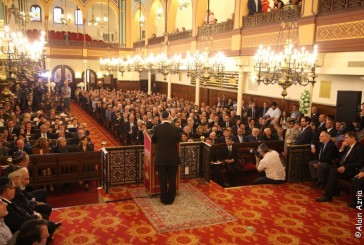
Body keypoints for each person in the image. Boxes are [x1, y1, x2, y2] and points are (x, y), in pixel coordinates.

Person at [316, 132, 364, 202]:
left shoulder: (359, 148)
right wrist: (342, 147)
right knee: (327, 168)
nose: (345, 139)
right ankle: (334, 190)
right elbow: (339, 157)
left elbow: (359, 163)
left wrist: (345, 167)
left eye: (346, 138)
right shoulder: (348, 147)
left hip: (351, 170)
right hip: (342, 167)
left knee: (334, 171)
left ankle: (327, 195)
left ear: (353, 138)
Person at [151, 111, 181, 205]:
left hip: (161, 158)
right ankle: (171, 198)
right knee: (172, 179)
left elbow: (153, 140)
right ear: (169, 118)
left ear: (161, 118)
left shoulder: (157, 128)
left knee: (162, 179)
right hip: (173, 158)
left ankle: (163, 198)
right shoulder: (176, 129)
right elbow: (178, 140)